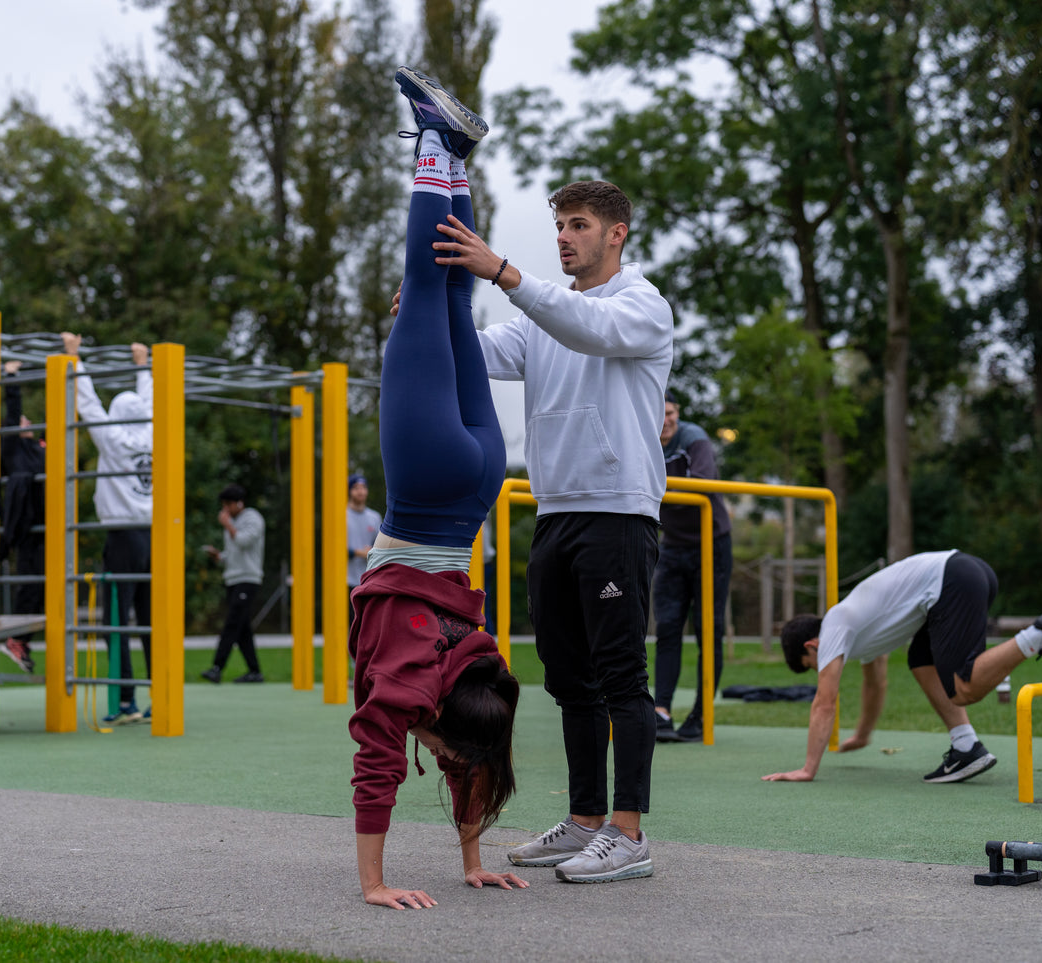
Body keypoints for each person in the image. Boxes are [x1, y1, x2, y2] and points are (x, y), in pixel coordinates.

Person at [422, 155, 673, 879]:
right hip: (557, 514)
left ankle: (628, 834)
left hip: (618, 513)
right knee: (568, 678)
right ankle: (586, 818)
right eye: (558, 224)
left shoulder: (639, 305)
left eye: (579, 225)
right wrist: (433, 316)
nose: (563, 237)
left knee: (622, 678)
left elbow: (587, 328)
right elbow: (476, 353)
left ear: (616, 234)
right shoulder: (541, 318)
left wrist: (501, 273)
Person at [350, 66, 524, 909]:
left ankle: (452, 154)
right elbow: (377, 761)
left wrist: (470, 862)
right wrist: (375, 883)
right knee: (426, 283)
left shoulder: (484, 674)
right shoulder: (420, 684)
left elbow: (472, 751)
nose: (457, 768)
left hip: (480, 480)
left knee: (454, 284)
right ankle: (430, 138)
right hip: (422, 484)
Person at [762, 550, 1042, 784]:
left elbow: (824, 702)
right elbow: (875, 684)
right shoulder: (857, 629)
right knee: (921, 659)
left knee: (963, 687)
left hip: (953, 581)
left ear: (811, 646)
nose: (820, 669)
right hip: (968, 571)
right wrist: (862, 734)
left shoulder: (834, 626)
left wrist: (807, 769)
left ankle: (1039, 635)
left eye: (811, 665)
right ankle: (966, 746)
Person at [60, 333, 153, 724]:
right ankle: (159, 696)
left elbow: (88, 404)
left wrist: (73, 358)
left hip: (122, 535)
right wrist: (143, 365)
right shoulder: (152, 431)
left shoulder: (113, 437)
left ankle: (125, 700)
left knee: (116, 620)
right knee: (151, 620)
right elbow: (150, 402)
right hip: (153, 534)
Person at [653, 392, 733, 744]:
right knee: (668, 628)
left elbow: (700, 484)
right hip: (672, 545)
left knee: (708, 629)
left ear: (677, 412)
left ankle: (702, 715)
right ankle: (661, 710)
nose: (665, 420)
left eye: (669, 412)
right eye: (658, 413)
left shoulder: (693, 438)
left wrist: (650, 488)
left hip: (709, 542)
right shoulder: (642, 437)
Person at [0, 359, 46, 673]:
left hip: (50, 525)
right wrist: (10, 377)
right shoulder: (13, 447)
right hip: (29, 526)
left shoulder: (40, 448)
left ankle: (23, 639)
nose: (26, 421)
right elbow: (13, 413)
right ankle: (17, 638)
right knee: (32, 582)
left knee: (44, 585)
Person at [201, 484, 266, 684]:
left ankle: (217, 667)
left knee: (232, 624)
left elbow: (243, 541)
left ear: (238, 503)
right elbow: (234, 552)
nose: (225, 509)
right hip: (232, 578)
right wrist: (219, 556)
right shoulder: (234, 521)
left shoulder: (252, 518)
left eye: (228, 504)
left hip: (248, 578)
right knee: (242, 628)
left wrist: (229, 525)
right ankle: (254, 671)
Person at [346, 474, 381, 596]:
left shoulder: (374, 517)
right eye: (356, 488)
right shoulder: (342, 516)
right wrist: (359, 553)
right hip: (346, 580)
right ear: (349, 491)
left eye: (363, 487)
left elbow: (381, 545)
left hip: (368, 579)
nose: (360, 491)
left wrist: (373, 551)